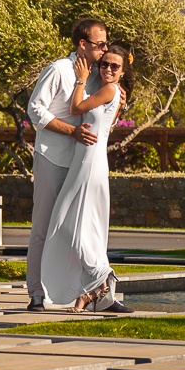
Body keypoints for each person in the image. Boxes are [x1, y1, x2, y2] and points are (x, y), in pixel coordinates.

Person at [40, 44, 134, 313]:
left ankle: (102, 279)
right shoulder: (111, 92)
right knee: (76, 224)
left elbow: (76, 107)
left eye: (114, 66)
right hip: (85, 161)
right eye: (104, 64)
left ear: (122, 71)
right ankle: (94, 290)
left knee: (71, 225)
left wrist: (81, 79)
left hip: (90, 164)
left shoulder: (110, 90)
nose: (108, 69)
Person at [25, 18, 109, 312]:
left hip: (82, 164)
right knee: (43, 227)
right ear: (82, 44)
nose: (104, 50)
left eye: (106, 44)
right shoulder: (58, 69)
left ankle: (90, 293)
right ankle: (36, 293)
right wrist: (71, 131)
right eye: (100, 44)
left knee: (81, 230)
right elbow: (35, 109)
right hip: (52, 158)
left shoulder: (99, 77)